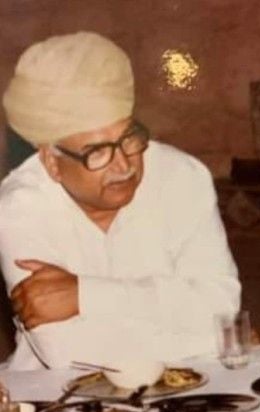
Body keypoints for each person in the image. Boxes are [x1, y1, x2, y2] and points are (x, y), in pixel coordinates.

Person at [0, 31, 240, 369]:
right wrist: (208, 341)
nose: (124, 165)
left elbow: (221, 307)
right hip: (62, 392)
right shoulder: (20, 208)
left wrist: (86, 295)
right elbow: (67, 355)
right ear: (51, 162)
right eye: (98, 152)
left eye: (129, 139)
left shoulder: (181, 177)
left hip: (193, 382)